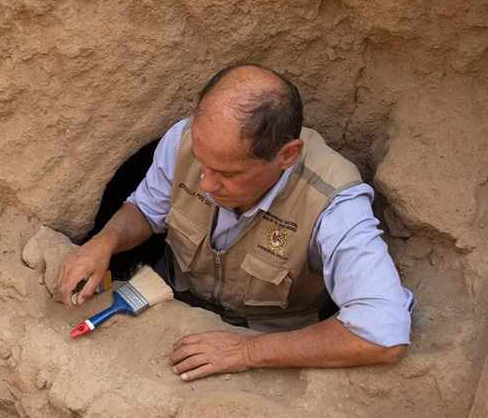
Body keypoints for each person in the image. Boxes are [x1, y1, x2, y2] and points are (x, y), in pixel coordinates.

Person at [57, 64, 413, 381]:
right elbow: (147, 211)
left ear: (286, 156)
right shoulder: (185, 140)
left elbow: (383, 332)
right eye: (201, 163)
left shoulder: (333, 201)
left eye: (227, 174)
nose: (206, 184)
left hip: (265, 339)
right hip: (169, 300)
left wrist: (247, 352)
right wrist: (104, 242)